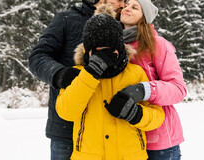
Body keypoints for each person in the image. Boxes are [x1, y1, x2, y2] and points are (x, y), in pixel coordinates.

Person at [28, 0, 128, 160]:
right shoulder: (67, 19)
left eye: (125, 1)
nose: (123, 5)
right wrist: (59, 74)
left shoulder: (120, 27)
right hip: (66, 125)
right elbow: (37, 57)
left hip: (104, 130)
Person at [55, 11, 165, 160]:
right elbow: (66, 112)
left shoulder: (135, 73)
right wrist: (91, 73)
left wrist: (136, 114)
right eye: (98, 49)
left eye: (109, 48)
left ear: (119, 47)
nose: (104, 53)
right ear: (88, 50)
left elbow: (158, 116)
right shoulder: (77, 74)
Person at [117, 0, 187, 160]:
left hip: (159, 141)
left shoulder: (157, 44)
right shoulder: (115, 46)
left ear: (145, 17)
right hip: (128, 139)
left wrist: (144, 90)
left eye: (135, 7)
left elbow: (178, 89)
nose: (126, 8)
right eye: (126, 5)